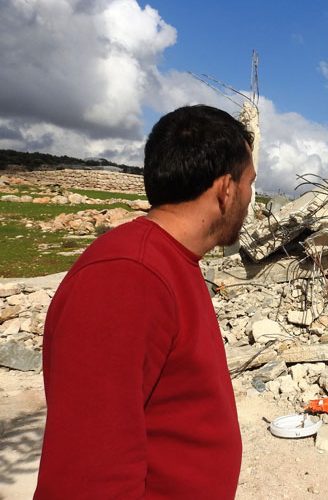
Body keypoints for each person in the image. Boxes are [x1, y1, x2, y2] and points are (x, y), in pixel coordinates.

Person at [34, 105, 256, 499]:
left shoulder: (171, 262)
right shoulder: (127, 276)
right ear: (226, 189)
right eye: (250, 183)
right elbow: (86, 478)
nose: (251, 196)